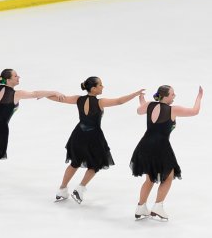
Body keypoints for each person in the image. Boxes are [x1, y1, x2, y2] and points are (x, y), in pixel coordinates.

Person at [49, 78, 143, 203]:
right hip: (94, 136)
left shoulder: (78, 99)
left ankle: (62, 189)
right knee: (96, 164)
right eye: (100, 85)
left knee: (74, 163)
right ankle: (80, 188)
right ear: (93, 88)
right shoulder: (100, 102)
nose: (103, 87)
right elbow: (119, 101)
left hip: (78, 134)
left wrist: (45, 94)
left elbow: (59, 99)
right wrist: (135, 94)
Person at [130, 85, 203, 221]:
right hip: (161, 147)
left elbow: (140, 110)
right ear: (165, 96)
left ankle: (141, 207)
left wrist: (142, 100)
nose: (174, 96)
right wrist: (199, 97)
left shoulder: (150, 106)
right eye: (172, 94)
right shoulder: (172, 110)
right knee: (169, 176)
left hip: (145, 145)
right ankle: (158, 207)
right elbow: (195, 111)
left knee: (150, 178)